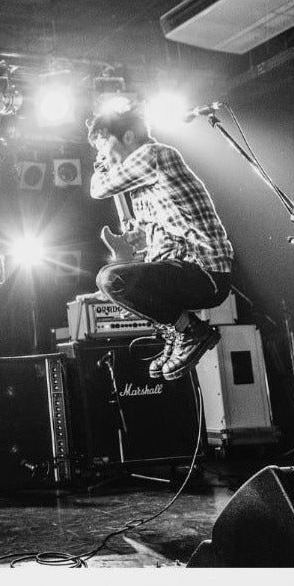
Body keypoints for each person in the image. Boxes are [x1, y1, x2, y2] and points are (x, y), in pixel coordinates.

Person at [87, 106, 234, 381]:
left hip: (206, 272)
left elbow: (98, 188)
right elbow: (164, 238)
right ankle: (179, 331)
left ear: (129, 136)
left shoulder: (152, 155)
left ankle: (190, 331)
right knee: (117, 284)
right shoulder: (142, 188)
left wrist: (101, 165)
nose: (102, 153)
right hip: (186, 269)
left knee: (110, 279)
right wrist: (140, 246)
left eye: (103, 144)